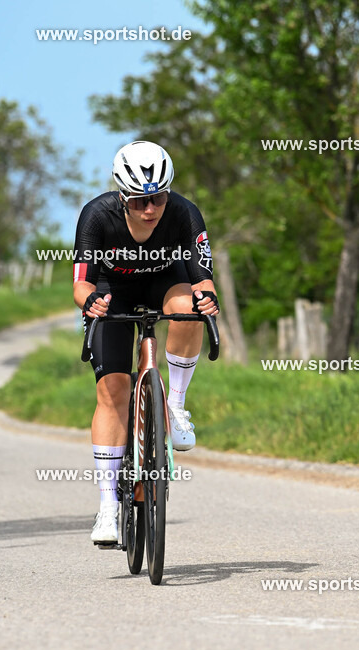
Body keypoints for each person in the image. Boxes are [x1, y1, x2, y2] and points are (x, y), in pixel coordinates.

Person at [72, 141, 219, 545]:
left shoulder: (185, 212)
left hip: (165, 282)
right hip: (111, 290)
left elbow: (202, 277)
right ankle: (107, 507)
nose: (150, 209)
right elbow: (81, 284)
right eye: (139, 201)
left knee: (189, 307)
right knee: (113, 391)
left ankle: (175, 406)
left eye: (158, 198)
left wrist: (208, 299)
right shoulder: (96, 215)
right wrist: (91, 303)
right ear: (122, 196)